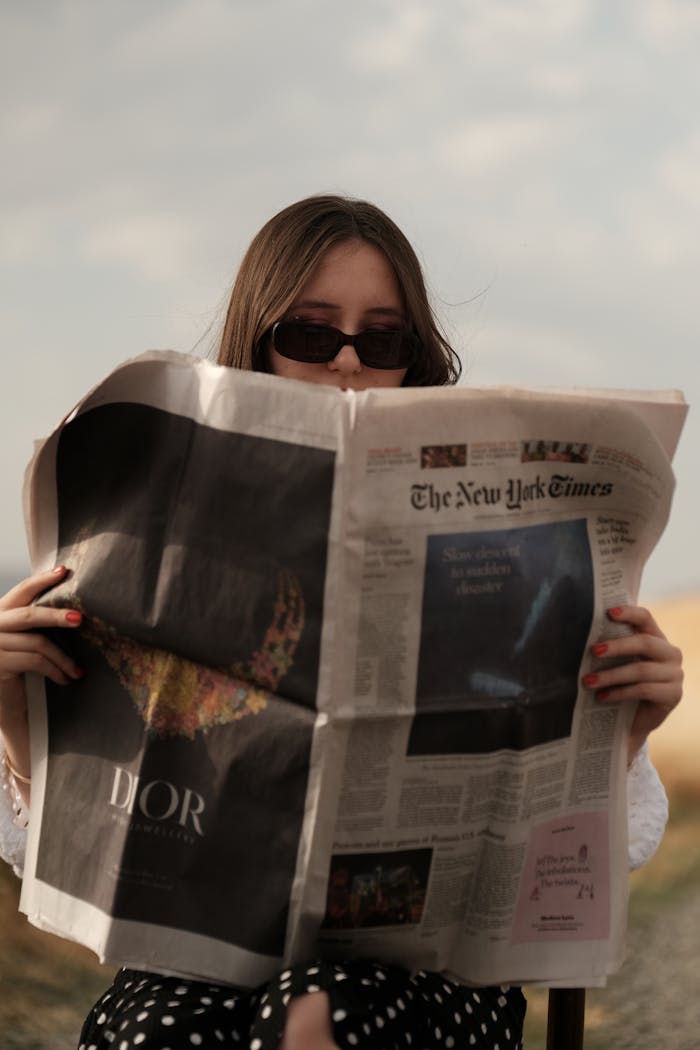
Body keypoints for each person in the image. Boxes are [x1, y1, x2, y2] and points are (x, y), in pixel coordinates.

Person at [0, 195, 684, 1050]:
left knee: (328, 1006)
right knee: (161, 1032)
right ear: (259, 342)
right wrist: (15, 717)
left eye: (384, 340)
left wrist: (626, 730)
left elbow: (580, 870)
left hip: (425, 983)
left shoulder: (504, 546)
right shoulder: (154, 532)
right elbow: (66, 860)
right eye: (313, 335)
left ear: (415, 358)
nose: (350, 366)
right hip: (195, 968)